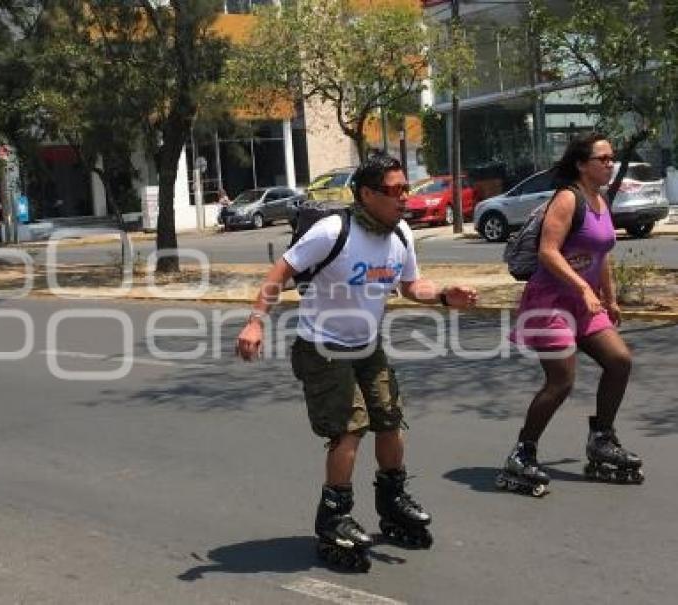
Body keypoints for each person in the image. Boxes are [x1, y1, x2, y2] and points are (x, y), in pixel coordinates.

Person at [236, 153, 478, 570]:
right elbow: (280, 273)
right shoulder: (335, 231)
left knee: (389, 419)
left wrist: (441, 295)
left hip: (367, 345)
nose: (405, 198)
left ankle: (393, 498)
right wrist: (255, 323)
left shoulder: (400, 233)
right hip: (322, 346)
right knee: (351, 429)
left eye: (407, 188)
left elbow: (409, 285)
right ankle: (335, 516)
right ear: (367, 194)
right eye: (395, 190)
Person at [499, 133, 643, 497]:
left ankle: (601, 438)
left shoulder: (600, 199)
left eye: (612, 158)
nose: (610, 163)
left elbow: (602, 253)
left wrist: (609, 298)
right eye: (603, 159)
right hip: (550, 302)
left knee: (619, 361)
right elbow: (548, 252)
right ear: (582, 164)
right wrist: (581, 287)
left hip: (585, 303)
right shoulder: (567, 198)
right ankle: (523, 452)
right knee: (561, 381)